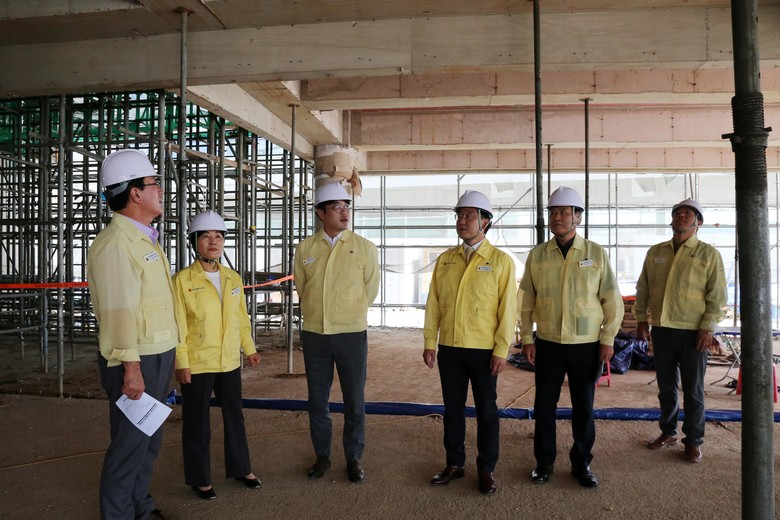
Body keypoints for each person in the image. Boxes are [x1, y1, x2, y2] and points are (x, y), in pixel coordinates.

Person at [87, 149, 177, 520]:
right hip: (136, 358)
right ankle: (118, 515)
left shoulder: (143, 239)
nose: (161, 190)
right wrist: (131, 368)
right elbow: (118, 311)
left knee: (147, 441)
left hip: (157, 352)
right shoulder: (115, 245)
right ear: (136, 193)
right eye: (155, 183)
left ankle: (141, 507)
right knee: (129, 444)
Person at [517, 186, 623, 488]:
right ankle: (544, 464)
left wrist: (608, 338)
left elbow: (611, 299)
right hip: (548, 343)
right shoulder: (538, 255)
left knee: (584, 408)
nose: (558, 217)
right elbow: (525, 301)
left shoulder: (595, 253)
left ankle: (581, 464)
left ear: (578, 217)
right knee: (544, 408)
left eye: (564, 212)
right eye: (553, 212)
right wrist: (527, 338)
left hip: (585, 345)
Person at [423, 190, 517, 495]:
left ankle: (486, 468)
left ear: (485, 221)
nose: (462, 221)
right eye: (459, 216)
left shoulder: (500, 261)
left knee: (487, 411)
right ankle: (454, 463)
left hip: (484, 350)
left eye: (469, 216)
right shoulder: (446, 260)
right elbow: (433, 304)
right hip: (450, 348)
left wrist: (501, 349)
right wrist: (430, 341)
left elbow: (508, 310)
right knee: (452, 409)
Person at [172, 210, 262, 500]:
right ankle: (200, 478)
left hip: (228, 360)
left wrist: (249, 348)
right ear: (194, 242)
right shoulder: (183, 280)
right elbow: (178, 325)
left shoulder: (232, 278)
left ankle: (241, 468)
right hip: (198, 362)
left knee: (235, 416)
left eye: (219, 237)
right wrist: (182, 362)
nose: (213, 242)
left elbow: (241, 318)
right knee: (196, 422)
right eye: (206, 237)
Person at [293, 182, 379, 483]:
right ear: (321, 213)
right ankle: (323, 456)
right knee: (317, 400)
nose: (344, 212)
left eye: (347, 207)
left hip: (351, 334)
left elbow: (370, 290)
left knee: (354, 400)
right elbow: (302, 288)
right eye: (337, 207)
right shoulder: (305, 248)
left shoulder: (364, 248)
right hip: (315, 334)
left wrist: (349, 312)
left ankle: (353, 458)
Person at [633, 198, 726, 463]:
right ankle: (668, 431)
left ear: (699, 222)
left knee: (694, 390)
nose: (682, 216)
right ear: (672, 220)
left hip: (693, 332)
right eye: (678, 213)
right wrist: (641, 319)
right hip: (662, 329)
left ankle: (693, 440)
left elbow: (717, 295)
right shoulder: (656, 252)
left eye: (688, 213)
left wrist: (708, 327)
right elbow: (643, 288)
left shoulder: (708, 254)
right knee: (666, 387)